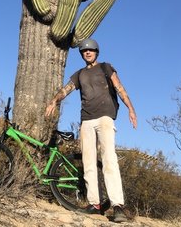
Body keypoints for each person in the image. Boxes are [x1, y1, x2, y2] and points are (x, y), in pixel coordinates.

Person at [45, 38, 137, 223]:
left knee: (109, 159)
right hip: (86, 120)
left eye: (91, 50)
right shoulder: (79, 74)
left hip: (104, 118)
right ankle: (94, 204)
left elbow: (119, 88)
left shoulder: (105, 68)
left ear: (96, 52)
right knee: (88, 162)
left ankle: (117, 205)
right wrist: (54, 101)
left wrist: (131, 108)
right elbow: (66, 89)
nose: (87, 53)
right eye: (84, 51)